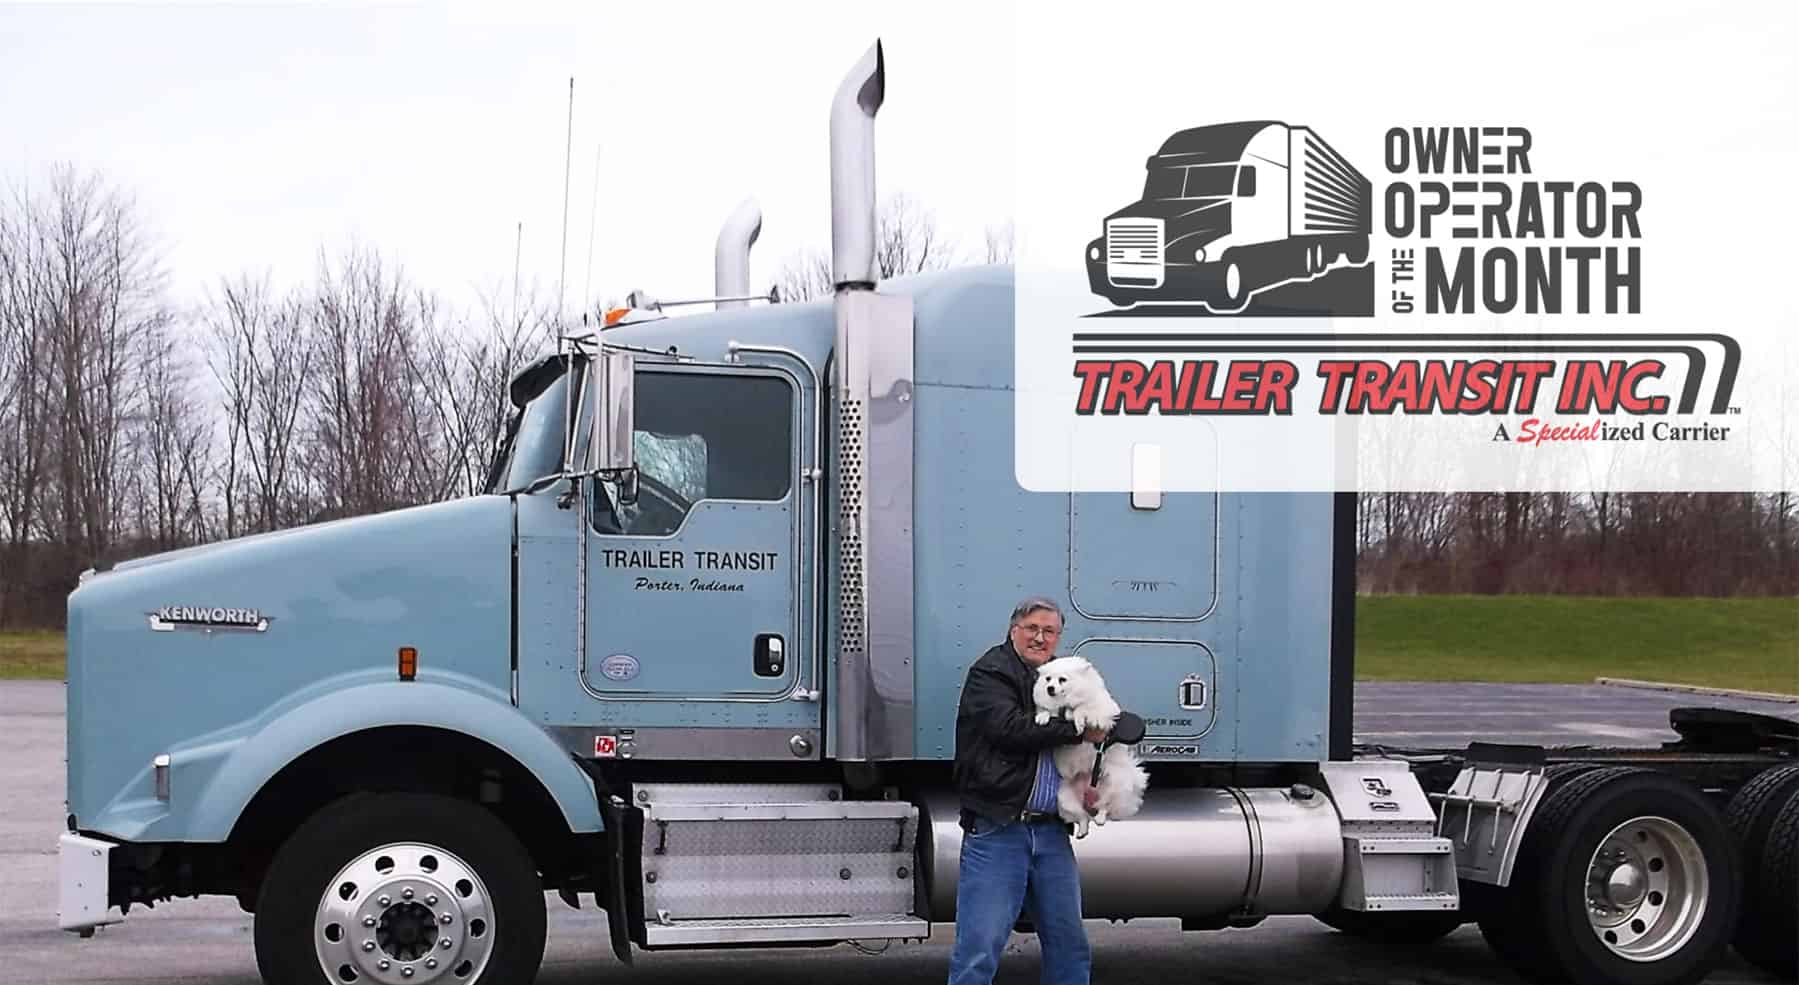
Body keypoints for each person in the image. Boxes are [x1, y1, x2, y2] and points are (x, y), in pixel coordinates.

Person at [947, 596, 1106, 985]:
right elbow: (1010, 729)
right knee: (979, 949)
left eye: (1049, 631)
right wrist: (1078, 728)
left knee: (1070, 946)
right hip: (1000, 829)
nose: (1040, 637)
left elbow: (1093, 737)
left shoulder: (1061, 676)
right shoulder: (990, 673)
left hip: (1051, 831)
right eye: (1032, 628)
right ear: (1013, 630)